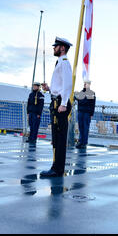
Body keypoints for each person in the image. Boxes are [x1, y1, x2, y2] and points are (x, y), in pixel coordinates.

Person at [40, 37, 73, 177]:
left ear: (63, 48)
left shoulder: (64, 62)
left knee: (60, 138)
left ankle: (58, 169)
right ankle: (55, 166)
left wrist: (64, 104)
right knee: (56, 137)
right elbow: (59, 85)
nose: (54, 48)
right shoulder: (59, 62)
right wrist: (49, 88)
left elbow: (67, 84)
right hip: (56, 101)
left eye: (56, 46)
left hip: (60, 103)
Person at [74, 80, 96, 149]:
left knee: (85, 128)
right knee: (81, 128)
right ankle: (80, 142)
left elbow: (92, 104)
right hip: (81, 112)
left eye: (87, 84)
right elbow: (79, 99)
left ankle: (84, 143)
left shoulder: (91, 93)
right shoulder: (81, 92)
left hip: (87, 113)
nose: (85, 85)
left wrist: (91, 113)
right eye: (85, 84)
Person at [26, 82, 45, 147]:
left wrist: (39, 114)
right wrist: (28, 112)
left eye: (35, 86)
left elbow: (41, 105)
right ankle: (30, 138)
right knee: (31, 126)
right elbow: (28, 104)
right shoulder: (31, 94)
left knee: (35, 127)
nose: (33, 87)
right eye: (33, 86)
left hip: (36, 114)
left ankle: (34, 139)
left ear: (38, 87)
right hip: (31, 113)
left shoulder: (40, 95)